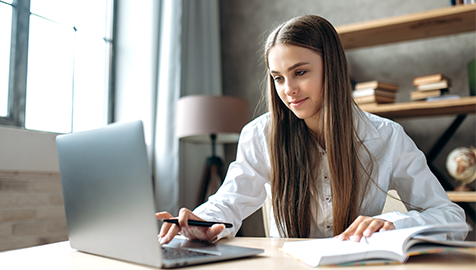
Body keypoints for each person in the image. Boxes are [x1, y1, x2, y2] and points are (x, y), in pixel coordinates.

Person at [156, 15, 467, 244]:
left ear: (331, 67)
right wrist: (202, 221)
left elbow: (451, 218)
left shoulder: (386, 136)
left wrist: (393, 222)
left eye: (300, 72)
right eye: (278, 78)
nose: (289, 89)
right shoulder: (260, 134)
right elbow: (229, 202)